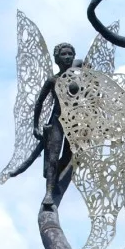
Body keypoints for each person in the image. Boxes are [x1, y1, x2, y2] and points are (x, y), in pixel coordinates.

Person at [32, 42, 83, 207]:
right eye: (64, 54)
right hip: (57, 120)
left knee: (69, 157)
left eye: (70, 54)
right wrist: (35, 126)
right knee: (53, 158)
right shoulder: (52, 80)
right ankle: (48, 192)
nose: (67, 57)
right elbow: (39, 102)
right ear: (57, 58)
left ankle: (55, 181)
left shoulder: (79, 78)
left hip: (74, 123)